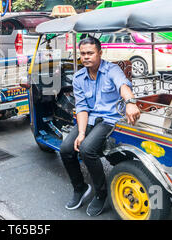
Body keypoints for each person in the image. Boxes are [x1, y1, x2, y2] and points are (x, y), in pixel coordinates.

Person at [59, 36, 141, 216]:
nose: (86, 57)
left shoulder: (112, 70)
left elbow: (123, 86)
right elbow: (81, 107)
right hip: (88, 119)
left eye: (90, 53)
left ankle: (101, 192)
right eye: (83, 54)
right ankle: (80, 188)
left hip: (109, 119)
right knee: (65, 149)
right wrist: (80, 133)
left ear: (100, 53)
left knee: (87, 149)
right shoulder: (79, 77)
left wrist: (130, 102)